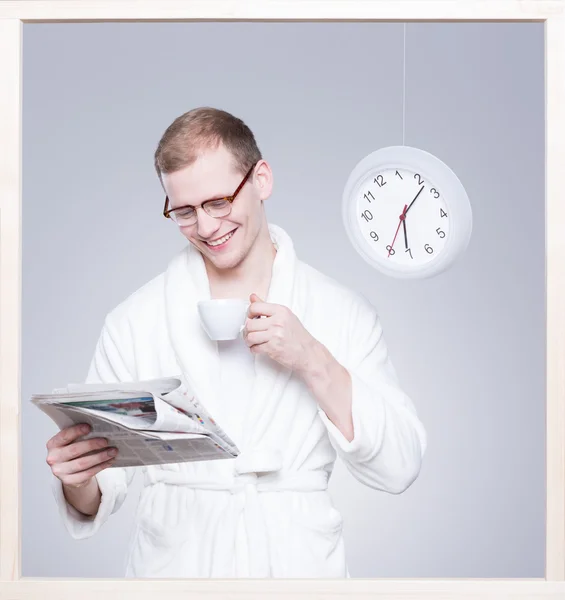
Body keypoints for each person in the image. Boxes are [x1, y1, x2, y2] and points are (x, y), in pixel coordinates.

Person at [45, 107, 427, 578]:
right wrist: (77, 479)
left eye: (219, 202)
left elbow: (400, 465)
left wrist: (313, 359)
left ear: (261, 180)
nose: (205, 228)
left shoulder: (341, 311)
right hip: (175, 569)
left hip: (298, 569)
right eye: (184, 211)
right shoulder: (134, 320)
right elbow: (103, 483)